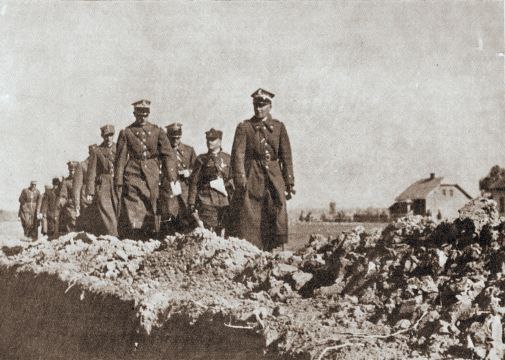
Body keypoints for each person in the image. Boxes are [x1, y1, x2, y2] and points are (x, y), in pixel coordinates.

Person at [229, 89, 295, 251]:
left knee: (276, 209)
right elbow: (237, 154)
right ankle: (253, 249)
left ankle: (273, 248)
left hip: (274, 175)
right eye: (256, 105)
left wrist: (289, 182)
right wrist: (240, 178)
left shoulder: (279, 127)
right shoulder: (245, 127)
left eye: (262, 105)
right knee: (251, 212)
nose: (258, 109)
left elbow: (286, 156)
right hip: (253, 175)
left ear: (269, 106)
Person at [114, 99, 178, 239]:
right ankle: (136, 230)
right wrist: (118, 180)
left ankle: (150, 232)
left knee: (151, 200)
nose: (142, 117)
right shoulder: (127, 132)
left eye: (145, 114)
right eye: (139, 114)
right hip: (132, 171)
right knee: (133, 198)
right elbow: (120, 158)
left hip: (152, 171)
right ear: (134, 113)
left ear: (148, 114)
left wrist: (172, 176)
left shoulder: (158, 131)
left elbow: (168, 154)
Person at [188, 128, 233, 234]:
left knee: (223, 228)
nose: (209, 142)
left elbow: (233, 178)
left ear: (220, 141)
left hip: (224, 200)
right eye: (208, 139)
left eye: (213, 139)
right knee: (209, 228)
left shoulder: (228, 158)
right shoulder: (201, 159)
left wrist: (227, 184)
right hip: (207, 198)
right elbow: (194, 181)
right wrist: (191, 201)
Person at [159, 122, 197, 234]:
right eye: (173, 138)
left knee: (187, 215)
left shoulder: (189, 150)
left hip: (185, 187)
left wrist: (189, 172)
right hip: (169, 188)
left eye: (177, 137)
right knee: (171, 215)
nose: (175, 140)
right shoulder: (163, 151)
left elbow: (196, 169)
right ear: (168, 136)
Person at [87, 125, 118, 236]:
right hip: (103, 183)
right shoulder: (97, 151)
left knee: (117, 207)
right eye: (106, 136)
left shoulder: (119, 147)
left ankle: (119, 233)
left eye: (111, 135)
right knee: (106, 208)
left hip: (117, 182)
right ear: (102, 136)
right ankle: (112, 234)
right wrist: (90, 191)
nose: (109, 138)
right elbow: (91, 172)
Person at [73, 144, 97, 232]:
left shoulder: (100, 163)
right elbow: (77, 187)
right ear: (89, 153)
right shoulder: (82, 165)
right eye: (92, 153)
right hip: (86, 196)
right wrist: (77, 204)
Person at [58, 161, 79, 235]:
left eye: (74, 170)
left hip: (82, 203)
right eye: (71, 170)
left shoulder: (82, 180)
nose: (72, 172)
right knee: (71, 219)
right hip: (71, 205)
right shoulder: (66, 182)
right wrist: (62, 201)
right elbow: (63, 195)